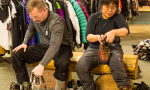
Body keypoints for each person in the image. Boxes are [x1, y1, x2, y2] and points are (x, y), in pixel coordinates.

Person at [10, 0, 72, 90]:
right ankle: (25, 85)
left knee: (62, 64)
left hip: (61, 48)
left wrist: (42, 65)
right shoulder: (34, 19)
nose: (34, 20)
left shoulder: (56, 21)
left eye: (36, 16)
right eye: (32, 17)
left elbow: (54, 45)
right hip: (44, 46)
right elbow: (30, 30)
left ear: (44, 10)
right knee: (16, 54)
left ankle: (57, 88)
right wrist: (24, 43)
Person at [75, 0, 133, 90]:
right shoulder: (94, 17)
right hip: (94, 48)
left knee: (116, 63)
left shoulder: (118, 17)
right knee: (80, 67)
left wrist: (113, 32)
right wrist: (98, 37)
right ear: (101, 6)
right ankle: (90, 88)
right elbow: (88, 37)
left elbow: (126, 30)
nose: (110, 10)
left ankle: (124, 86)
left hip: (113, 47)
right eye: (107, 7)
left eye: (113, 7)